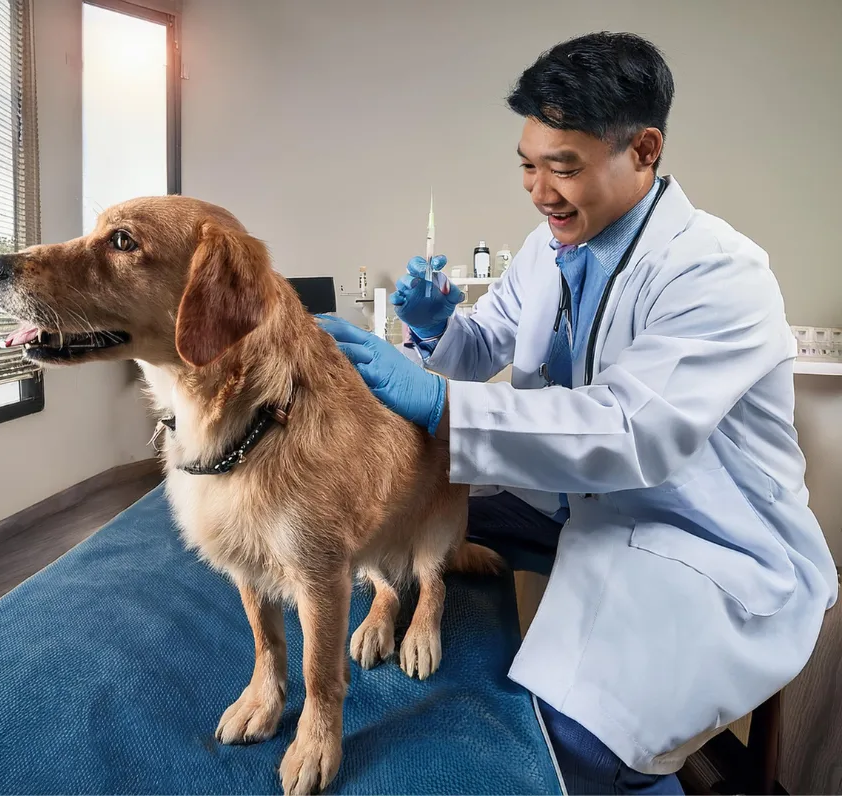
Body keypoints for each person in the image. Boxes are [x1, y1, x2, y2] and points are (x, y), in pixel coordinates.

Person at [319, 31, 838, 795]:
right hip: (562, 500)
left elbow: (629, 431)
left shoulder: (719, 273)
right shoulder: (549, 245)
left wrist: (436, 401)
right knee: (388, 519)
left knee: (578, 748)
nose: (540, 190)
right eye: (528, 166)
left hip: (698, 535)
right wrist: (434, 327)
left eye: (564, 168)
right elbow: (483, 341)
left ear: (645, 149)